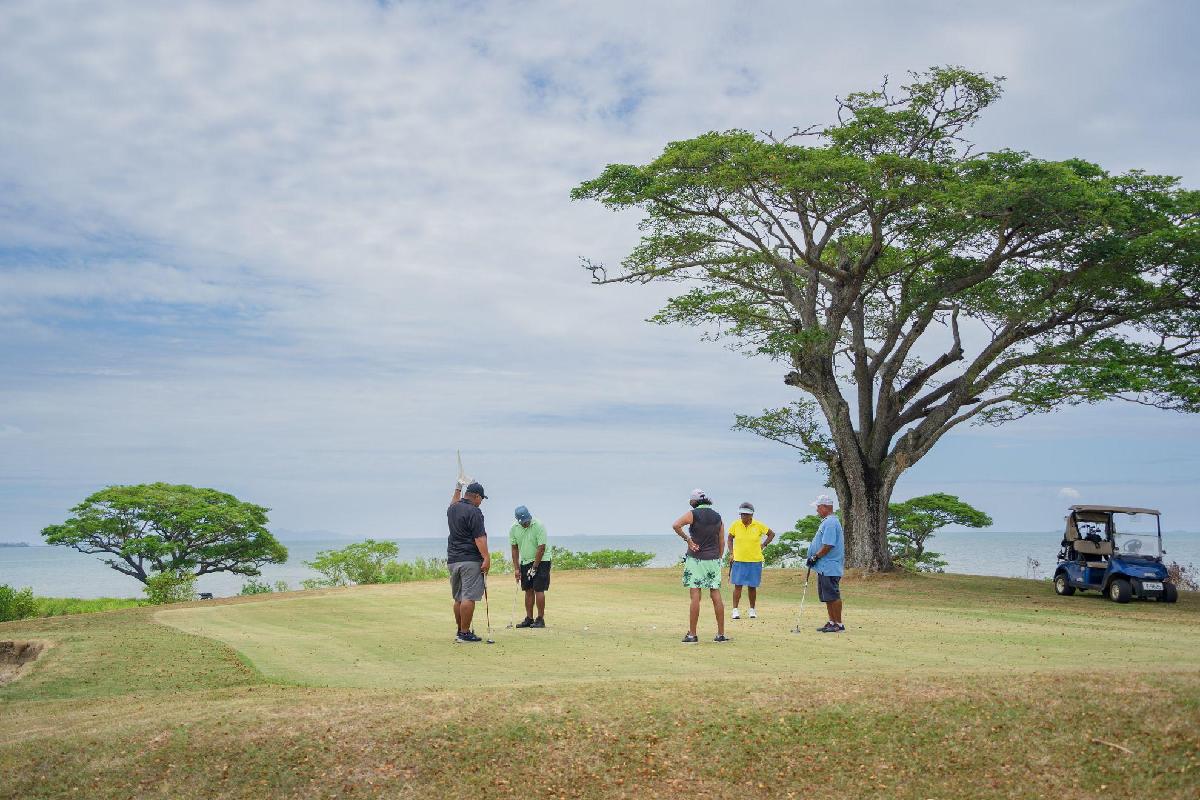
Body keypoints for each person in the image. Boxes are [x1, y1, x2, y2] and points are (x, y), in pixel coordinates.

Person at [672, 489, 729, 644]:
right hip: (713, 559)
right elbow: (721, 541)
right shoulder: (717, 516)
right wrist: (718, 557)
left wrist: (688, 540)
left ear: (694, 501)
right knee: (715, 594)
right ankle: (721, 634)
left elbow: (676, 525)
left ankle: (692, 634)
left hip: (696, 559)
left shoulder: (693, 514)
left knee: (695, 595)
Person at [447, 480, 491, 643]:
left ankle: (460, 631)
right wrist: (486, 557)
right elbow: (479, 538)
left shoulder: (453, 509)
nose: (481, 502)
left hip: (453, 560)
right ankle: (465, 633)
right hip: (470, 559)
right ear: (477, 496)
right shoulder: (474, 512)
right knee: (468, 597)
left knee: (459, 597)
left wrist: (458, 486)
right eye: (481, 499)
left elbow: (453, 502)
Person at [726, 501, 774, 619]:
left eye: (746, 514)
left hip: (754, 560)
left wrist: (763, 545)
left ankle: (752, 610)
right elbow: (730, 539)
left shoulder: (758, 525)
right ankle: (735, 610)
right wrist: (732, 553)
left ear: (751, 515)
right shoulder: (735, 525)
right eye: (742, 514)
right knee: (738, 586)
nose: (743, 516)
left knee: (752, 586)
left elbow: (771, 534)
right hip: (739, 559)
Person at [806, 494, 845, 633]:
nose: (817, 510)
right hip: (824, 567)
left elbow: (828, 545)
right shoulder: (828, 521)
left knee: (833, 595)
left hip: (830, 566)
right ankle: (831, 621)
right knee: (827, 596)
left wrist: (815, 557)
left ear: (825, 507)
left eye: (818, 507)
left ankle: (839, 624)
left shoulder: (831, 522)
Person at [509, 505, 551, 628]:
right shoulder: (513, 528)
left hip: (542, 560)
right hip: (525, 561)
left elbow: (541, 548)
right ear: (518, 520)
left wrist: (535, 567)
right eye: (523, 522)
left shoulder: (538, 525)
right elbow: (514, 548)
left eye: (527, 521)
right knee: (528, 589)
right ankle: (529, 618)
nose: (526, 523)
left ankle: (540, 619)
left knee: (538, 589)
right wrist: (517, 568)